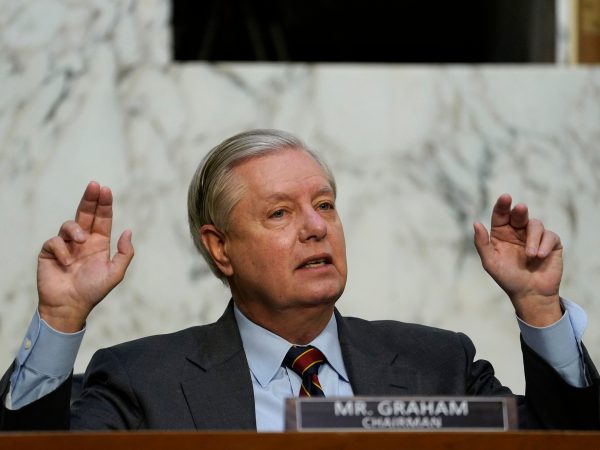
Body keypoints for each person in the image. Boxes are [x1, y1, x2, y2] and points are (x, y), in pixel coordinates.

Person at [1, 129, 598, 431]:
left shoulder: (437, 362)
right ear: (220, 248)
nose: (316, 228)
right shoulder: (141, 381)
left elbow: (566, 441)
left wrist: (538, 307)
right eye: (280, 214)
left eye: (326, 205)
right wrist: (61, 319)